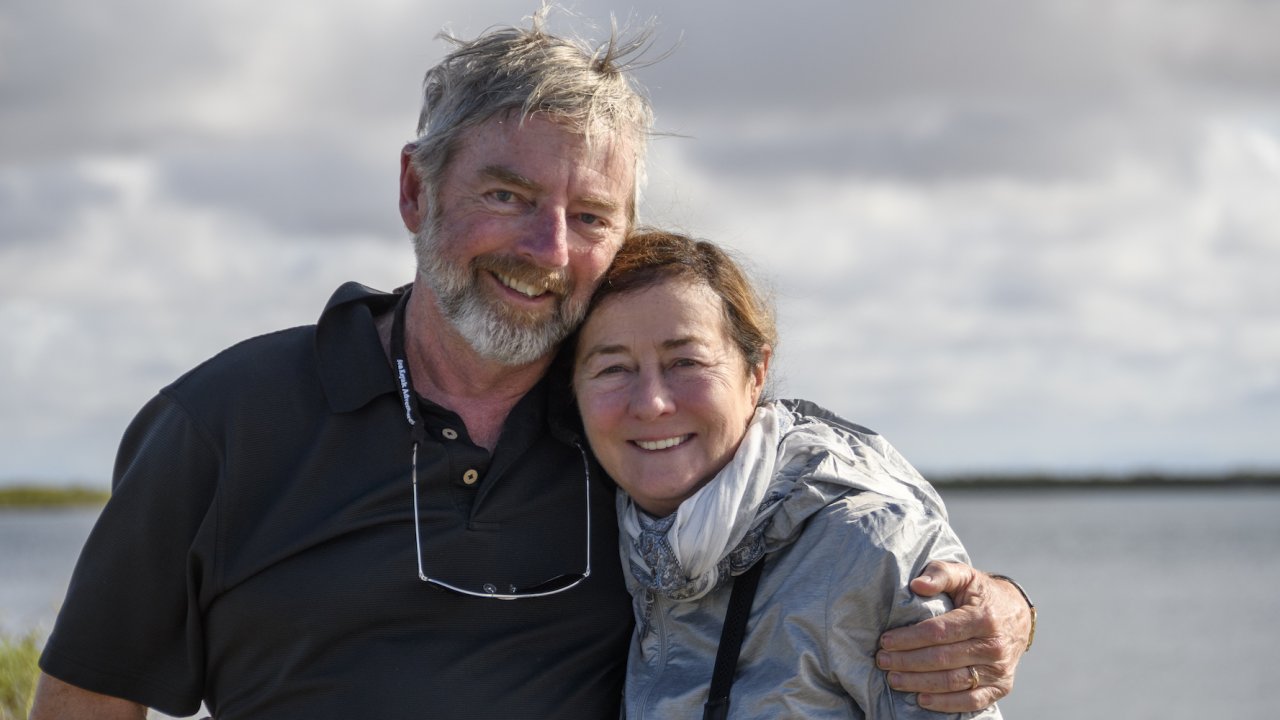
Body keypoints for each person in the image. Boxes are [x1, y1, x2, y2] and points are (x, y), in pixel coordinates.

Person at [31, 11, 1032, 720]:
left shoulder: (639, 423)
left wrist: (1003, 608)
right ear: (415, 189)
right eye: (507, 196)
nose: (548, 250)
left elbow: (840, 499)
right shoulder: (222, 421)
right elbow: (88, 694)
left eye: (589, 216)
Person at [572, 229, 1011, 718]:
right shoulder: (583, 534)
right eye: (613, 368)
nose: (652, 402)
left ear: (756, 372)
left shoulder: (869, 550)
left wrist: (1015, 608)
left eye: (686, 362)